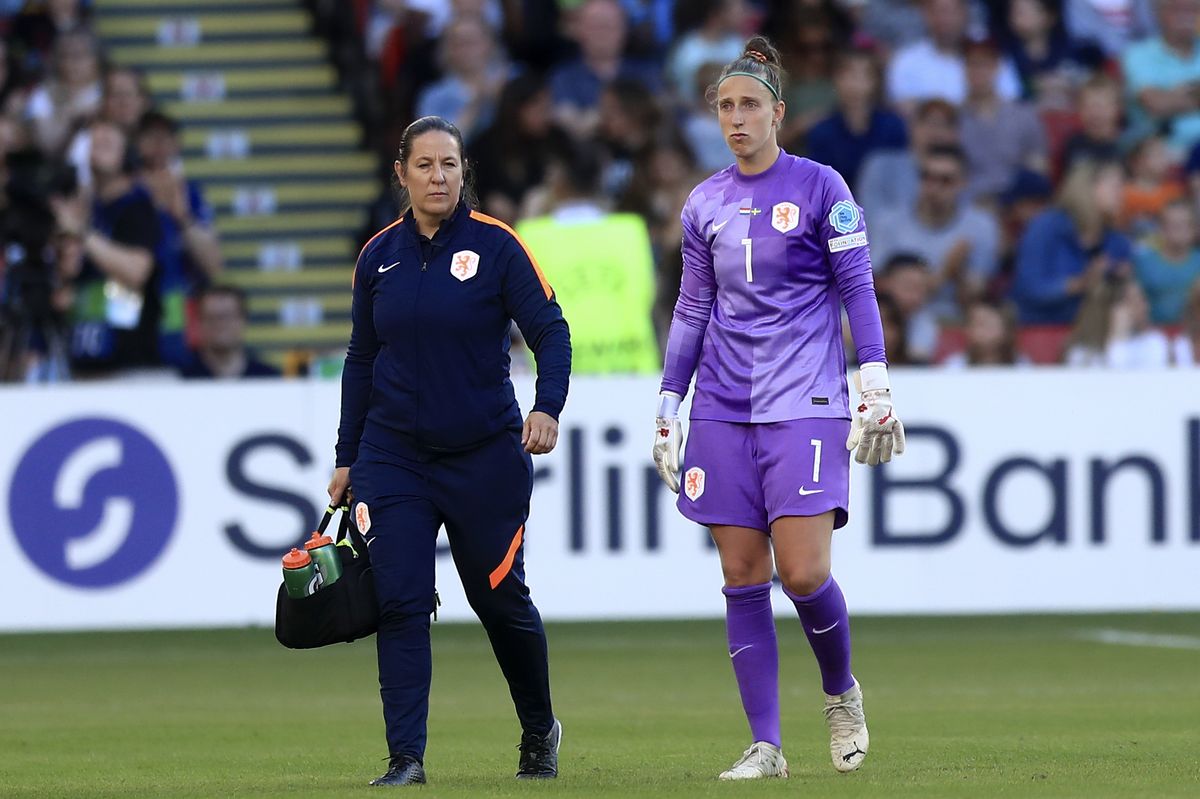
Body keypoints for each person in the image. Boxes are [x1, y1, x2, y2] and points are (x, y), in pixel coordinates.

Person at [652, 37, 905, 782]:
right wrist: (671, 403)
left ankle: (840, 692)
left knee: (800, 573)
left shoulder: (824, 186)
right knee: (739, 571)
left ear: (778, 113)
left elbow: (857, 288)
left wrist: (877, 379)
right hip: (724, 407)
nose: (736, 118)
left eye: (749, 105)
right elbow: (693, 307)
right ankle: (766, 744)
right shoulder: (704, 202)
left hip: (808, 401)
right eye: (725, 106)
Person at [327, 116, 572, 787]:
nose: (439, 177)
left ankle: (537, 728)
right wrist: (347, 457)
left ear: (465, 172)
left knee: (498, 601)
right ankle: (406, 759)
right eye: (426, 165)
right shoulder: (377, 255)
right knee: (401, 601)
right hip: (392, 456)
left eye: (450, 165)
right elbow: (360, 359)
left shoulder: (498, 247)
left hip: (483, 454)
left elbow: (550, 332)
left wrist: (546, 406)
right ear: (401, 172)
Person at [869, 144, 1001, 321]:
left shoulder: (981, 226)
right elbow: (877, 289)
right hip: (898, 324)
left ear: (963, 183)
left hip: (955, 323)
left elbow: (974, 301)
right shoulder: (888, 222)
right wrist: (945, 272)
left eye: (945, 180)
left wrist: (958, 274)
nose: (934, 187)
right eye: (927, 177)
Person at [1011, 158, 1132, 323]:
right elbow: (1030, 287)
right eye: (1114, 186)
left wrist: (1120, 281)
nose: (1121, 194)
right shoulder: (1047, 226)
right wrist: (1082, 283)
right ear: (1087, 188)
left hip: (1092, 336)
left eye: (1122, 186)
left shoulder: (1118, 241)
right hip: (1039, 329)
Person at [1121, 0, 1200, 156]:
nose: (1187, 15)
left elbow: (1164, 101)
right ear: (1158, 13)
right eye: (1177, 9)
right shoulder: (1138, 55)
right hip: (1165, 153)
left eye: (1193, 9)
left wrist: (1176, 95)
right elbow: (1156, 104)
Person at [179, 284, 279, 379]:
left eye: (227, 316)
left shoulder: (269, 379)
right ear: (199, 323)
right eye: (212, 317)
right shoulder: (180, 380)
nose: (220, 324)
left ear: (243, 320)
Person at [1133, 200, 1200, 324]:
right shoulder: (1143, 263)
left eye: (1185, 225)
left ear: (1194, 229)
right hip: (1151, 335)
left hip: (1194, 335)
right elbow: (1134, 304)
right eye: (1174, 225)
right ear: (1161, 229)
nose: (1180, 231)